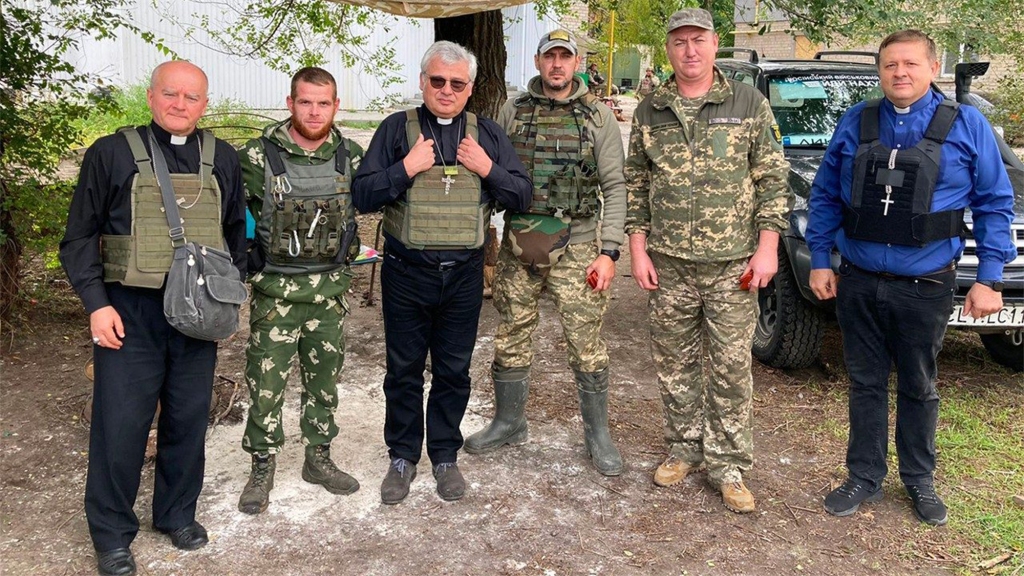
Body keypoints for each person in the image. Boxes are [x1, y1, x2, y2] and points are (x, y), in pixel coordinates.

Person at [807, 30, 1016, 526]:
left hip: (925, 286)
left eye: (910, 64)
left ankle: (919, 480)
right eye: (890, 65)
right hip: (858, 279)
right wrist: (819, 257)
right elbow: (825, 194)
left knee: (919, 385)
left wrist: (989, 277)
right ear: (879, 72)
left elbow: (994, 203)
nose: (899, 73)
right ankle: (863, 475)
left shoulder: (968, 125)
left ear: (932, 67)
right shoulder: (858, 121)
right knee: (865, 383)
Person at [59, 61, 246, 576]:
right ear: (150, 96)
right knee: (121, 425)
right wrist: (96, 304)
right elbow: (78, 238)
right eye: (171, 93)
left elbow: (236, 235)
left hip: (196, 314)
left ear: (205, 104)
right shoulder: (111, 153)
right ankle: (112, 534)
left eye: (192, 97)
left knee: (188, 418)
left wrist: (225, 297)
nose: (180, 104)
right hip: (129, 313)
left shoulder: (222, 159)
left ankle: (176, 514)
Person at [624, 8, 791, 513]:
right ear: (669, 49)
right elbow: (635, 184)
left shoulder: (747, 101)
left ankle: (729, 465)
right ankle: (683, 448)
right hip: (669, 262)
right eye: (680, 42)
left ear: (715, 45)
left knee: (731, 367)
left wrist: (768, 248)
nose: (690, 50)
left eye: (698, 40)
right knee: (674, 364)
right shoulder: (650, 108)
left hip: (732, 264)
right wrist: (637, 248)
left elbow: (772, 178)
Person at [352, 41, 532, 504]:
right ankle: (403, 456)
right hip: (407, 272)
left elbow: (522, 196)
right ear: (422, 81)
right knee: (404, 369)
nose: (446, 90)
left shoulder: (487, 135)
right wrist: (405, 168)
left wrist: (488, 168)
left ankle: (446, 455)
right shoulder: (397, 130)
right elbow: (363, 195)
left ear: (470, 88)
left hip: (465, 275)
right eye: (437, 81)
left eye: (457, 83)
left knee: (453, 370)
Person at [464, 29, 628, 476]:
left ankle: (597, 434)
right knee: (511, 332)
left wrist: (609, 252)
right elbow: (493, 174)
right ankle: (509, 421)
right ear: (537, 61)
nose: (557, 64)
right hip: (522, 242)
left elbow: (614, 188)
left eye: (565, 57)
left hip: (577, 245)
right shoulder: (513, 111)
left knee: (585, 342)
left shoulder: (598, 117)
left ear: (576, 63)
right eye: (549, 56)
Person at [235, 67, 365, 515]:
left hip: (329, 295)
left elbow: (377, 198)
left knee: (324, 384)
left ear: (336, 105)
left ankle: (318, 459)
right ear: (290, 103)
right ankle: (262, 465)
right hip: (275, 295)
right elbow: (230, 217)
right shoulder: (256, 156)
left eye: (323, 102)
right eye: (305, 102)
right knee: (265, 384)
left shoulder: (351, 155)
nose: (314, 111)